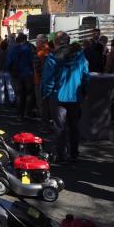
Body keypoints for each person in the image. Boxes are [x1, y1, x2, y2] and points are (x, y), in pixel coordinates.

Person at [41, 32, 90, 164]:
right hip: (75, 96)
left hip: (58, 96)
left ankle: (62, 155)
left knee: (60, 127)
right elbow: (86, 76)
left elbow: (48, 79)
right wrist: (84, 92)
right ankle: (74, 153)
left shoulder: (52, 57)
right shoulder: (80, 56)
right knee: (73, 126)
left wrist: (46, 94)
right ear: (68, 41)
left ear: (55, 43)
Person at [6, 33, 36, 122]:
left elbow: (8, 63)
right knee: (29, 94)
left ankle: (20, 115)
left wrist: (10, 71)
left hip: (16, 75)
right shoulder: (29, 49)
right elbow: (32, 61)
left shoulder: (12, 50)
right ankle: (27, 112)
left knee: (19, 95)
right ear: (25, 40)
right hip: (27, 74)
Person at [34, 34, 52, 126]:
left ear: (42, 41)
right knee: (45, 103)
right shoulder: (47, 50)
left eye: (37, 40)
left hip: (40, 81)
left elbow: (40, 68)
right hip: (44, 81)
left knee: (42, 103)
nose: (36, 42)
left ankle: (45, 124)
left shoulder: (42, 52)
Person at [0, 40, 15, 107]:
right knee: (9, 86)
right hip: (8, 71)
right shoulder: (10, 53)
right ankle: (12, 100)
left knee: (1, 87)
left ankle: (2, 101)